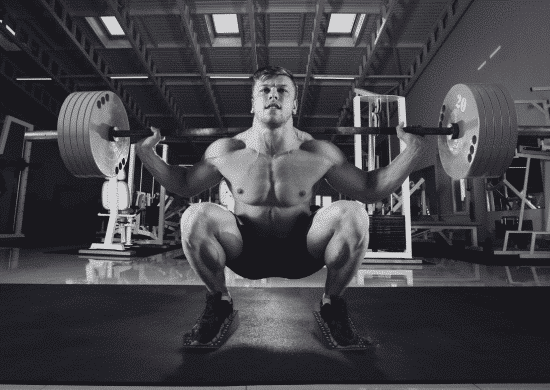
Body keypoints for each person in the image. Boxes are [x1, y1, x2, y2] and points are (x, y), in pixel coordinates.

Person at [135, 66, 427, 347]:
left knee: (354, 213)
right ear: (252, 103)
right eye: (264, 90)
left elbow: (369, 189)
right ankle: (219, 302)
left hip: (301, 251)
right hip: (243, 251)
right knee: (194, 216)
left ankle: (332, 304)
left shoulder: (317, 151)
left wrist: (412, 152)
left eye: (282, 90)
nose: (272, 95)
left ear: (294, 104)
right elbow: (184, 183)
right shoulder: (226, 151)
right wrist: (147, 154)